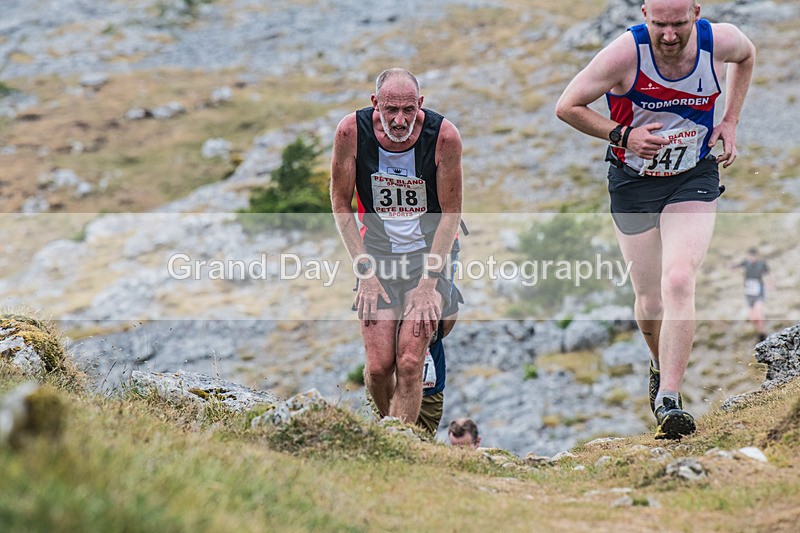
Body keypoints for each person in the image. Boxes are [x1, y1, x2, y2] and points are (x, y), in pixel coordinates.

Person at [555, 0, 755, 439]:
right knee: (649, 300)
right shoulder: (624, 54)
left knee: (679, 279)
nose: (668, 35)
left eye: (679, 24)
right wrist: (623, 135)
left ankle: (669, 398)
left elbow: (747, 55)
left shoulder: (717, 41)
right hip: (633, 183)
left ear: (696, 13)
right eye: (659, 24)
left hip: (694, 175)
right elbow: (567, 106)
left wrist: (731, 120)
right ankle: (658, 363)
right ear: (644, 13)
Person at [331, 67, 463, 426]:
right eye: (391, 110)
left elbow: (452, 213)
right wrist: (366, 273)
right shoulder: (350, 132)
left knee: (408, 361)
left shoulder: (444, 137)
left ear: (420, 104)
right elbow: (340, 203)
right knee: (376, 367)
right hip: (377, 255)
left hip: (428, 255)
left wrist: (428, 283)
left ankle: (400, 442)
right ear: (376, 104)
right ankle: (389, 429)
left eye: (409, 110)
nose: (400, 120)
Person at [733, 247, 771, 341]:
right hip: (749, 293)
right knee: (753, 318)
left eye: (753, 256)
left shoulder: (762, 264)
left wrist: (770, 284)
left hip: (759, 292)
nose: (752, 258)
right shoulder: (746, 262)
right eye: (750, 256)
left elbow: (768, 274)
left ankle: (764, 334)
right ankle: (761, 332)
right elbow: (736, 266)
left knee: (759, 314)